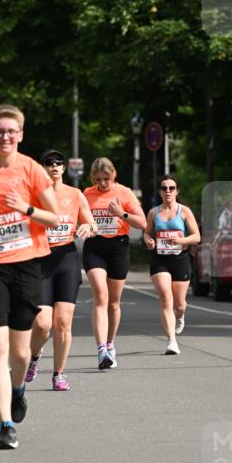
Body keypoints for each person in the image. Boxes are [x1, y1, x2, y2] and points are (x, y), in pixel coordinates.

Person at [0, 104, 59, 449]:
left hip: (26, 265)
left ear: (20, 135)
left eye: (11, 131)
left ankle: (18, 389)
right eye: (0, 131)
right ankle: (5, 424)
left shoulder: (31, 169)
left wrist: (26, 208)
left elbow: (54, 217)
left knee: (20, 353)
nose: (5, 136)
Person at [25, 149, 97, 391]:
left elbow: (91, 222)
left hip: (66, 259)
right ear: (43, 168)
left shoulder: (75, 194)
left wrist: (89, 228)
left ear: (64, 168)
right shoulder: (33, 195)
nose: (54, 166)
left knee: (63, 322)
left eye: (58, 162)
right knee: (42, 324)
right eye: (49, 162)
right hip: (40, 260)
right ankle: (34, 358)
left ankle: (59, 374)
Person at [83, 157, 146, 369]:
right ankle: (101, 349)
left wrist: (122, 214)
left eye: (106, 179)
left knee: (113, 302)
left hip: (118, 248)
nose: (102, 183)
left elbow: (143, 222)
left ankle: (110, 343)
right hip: (94, 247)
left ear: (114, 175)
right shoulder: (87, 194)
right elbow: (78, 217)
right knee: (100, 296)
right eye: (98, 179)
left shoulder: (125, 193)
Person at [144, 174, 200, 354]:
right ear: (160, 192)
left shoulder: (184, 211)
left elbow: (196, 237)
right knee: (166, 300)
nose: (168, 191)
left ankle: (180, 316)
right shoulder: (153, 213)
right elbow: (147, 232)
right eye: (164, 188)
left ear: (177, 191)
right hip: (160, 259)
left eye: (171, 188)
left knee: (179, 304)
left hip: (180, 259)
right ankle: (172, 341)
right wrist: (148, 240)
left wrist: (181, 241)